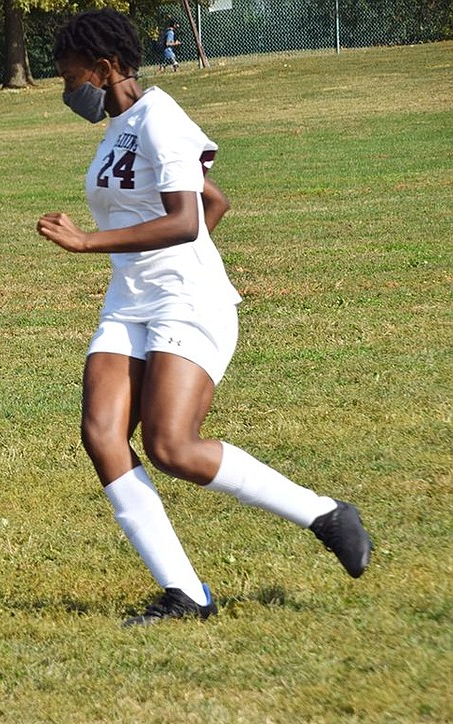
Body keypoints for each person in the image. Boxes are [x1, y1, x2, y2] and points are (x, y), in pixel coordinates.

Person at [36, 9, 373, 626]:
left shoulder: (159, 118)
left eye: (69, 75)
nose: (66, 89)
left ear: (106, 67)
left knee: (171, 446)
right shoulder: (120, 127)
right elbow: (213, 200)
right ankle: (185, 593)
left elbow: (188, 219)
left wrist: (91, 244)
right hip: (130, 301)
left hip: (188, 304)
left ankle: (325, 513)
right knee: (102, 435)